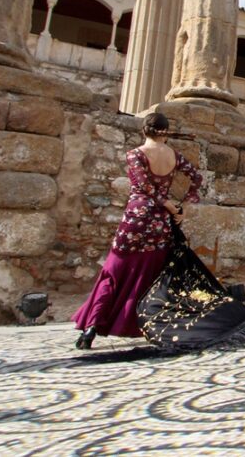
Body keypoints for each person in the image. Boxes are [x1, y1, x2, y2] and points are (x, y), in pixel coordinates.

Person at [73, 113, 202, 349]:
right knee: (150, 274)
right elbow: (196, 178)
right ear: (165, 130)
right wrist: (182, 206)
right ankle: (145, 324)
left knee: (113, 272)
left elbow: (143, 185)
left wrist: (168, 204)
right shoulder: (174, 156)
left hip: (137, 218)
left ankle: (91, 327)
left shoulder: (135, 154)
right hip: (160, 223)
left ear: (144, 130)